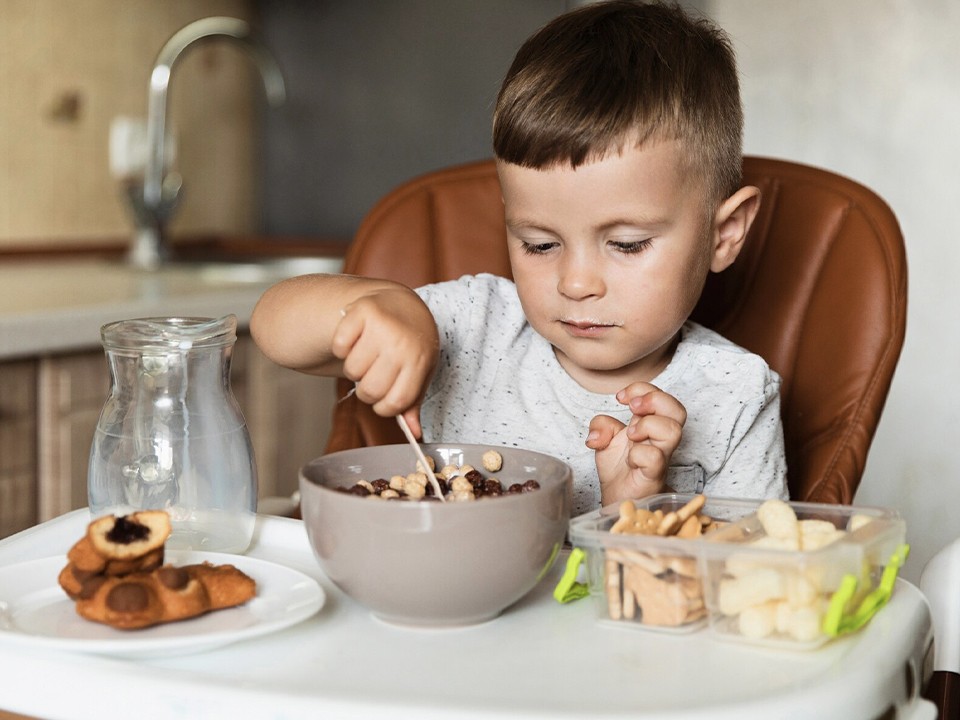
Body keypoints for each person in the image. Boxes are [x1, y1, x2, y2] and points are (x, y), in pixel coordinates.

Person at [251, 0, 788, 516]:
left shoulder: (735, 396)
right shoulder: (469, 328)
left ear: (724, 235)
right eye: (539, 244)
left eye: (626, 244)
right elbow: (274, 328)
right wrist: (374, 306)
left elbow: (749, 584)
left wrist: (633, 514)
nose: (576, 283)